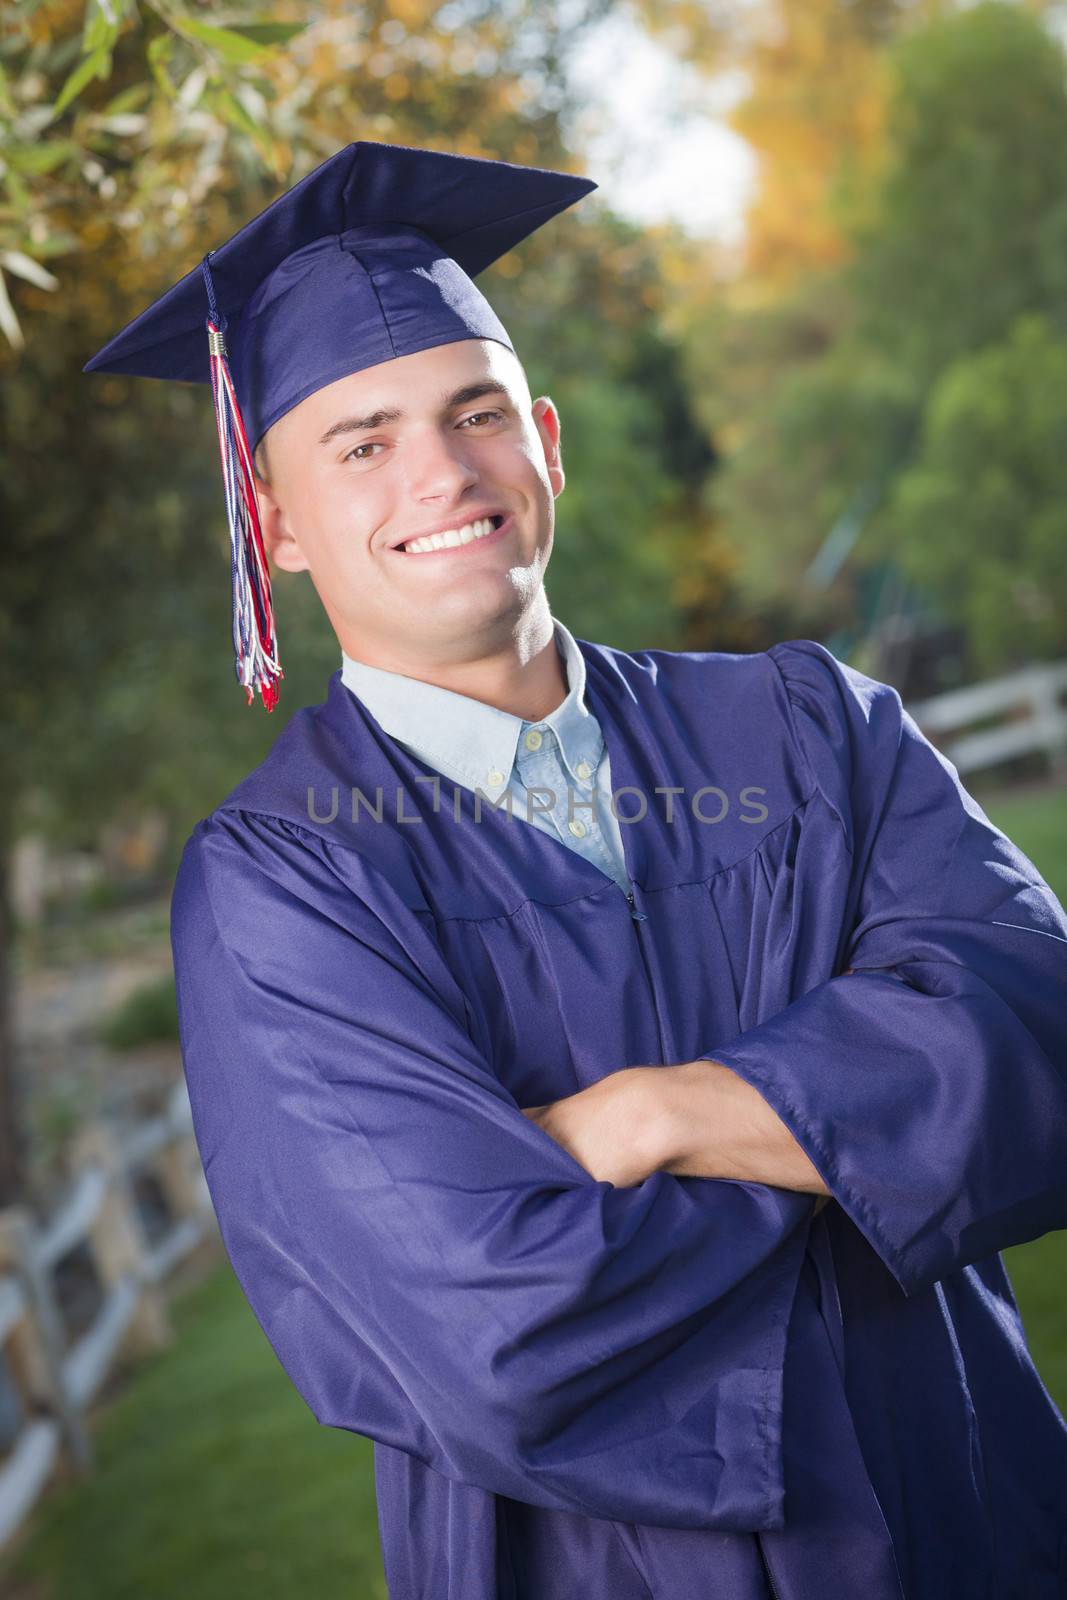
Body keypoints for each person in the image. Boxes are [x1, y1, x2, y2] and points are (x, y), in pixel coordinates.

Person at [84, 140, 1067, 1600]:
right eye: (360, 442)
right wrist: (877, 1142)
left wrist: (645, 1119)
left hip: (974, 1511)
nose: (441, 472)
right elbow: (493, 1325)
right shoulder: (283, 886)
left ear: (545, 438)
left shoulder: (811, 725)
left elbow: (1038, 1036)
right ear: (275, 525)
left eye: (474, 411)